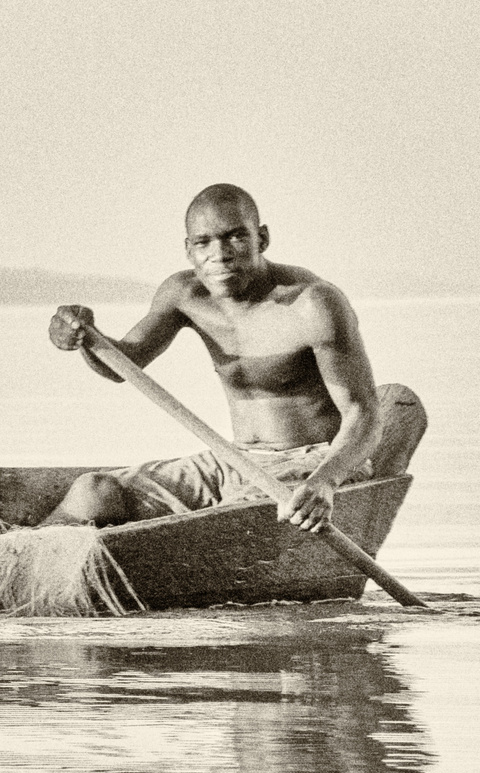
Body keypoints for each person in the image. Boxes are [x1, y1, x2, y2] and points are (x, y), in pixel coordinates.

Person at [41, 184, 380, 533]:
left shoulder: (311, 303)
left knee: (233, 519)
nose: (219, 254)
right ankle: (15, 558)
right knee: (93, 492)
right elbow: (121, 365)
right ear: (188, 250)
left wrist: (324, 482)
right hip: (232, 461)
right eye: (203, 242)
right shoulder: (185, 294)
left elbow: (364, 412)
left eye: (235, 237)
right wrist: (83, 339)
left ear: (261, 239)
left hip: (310, 463)